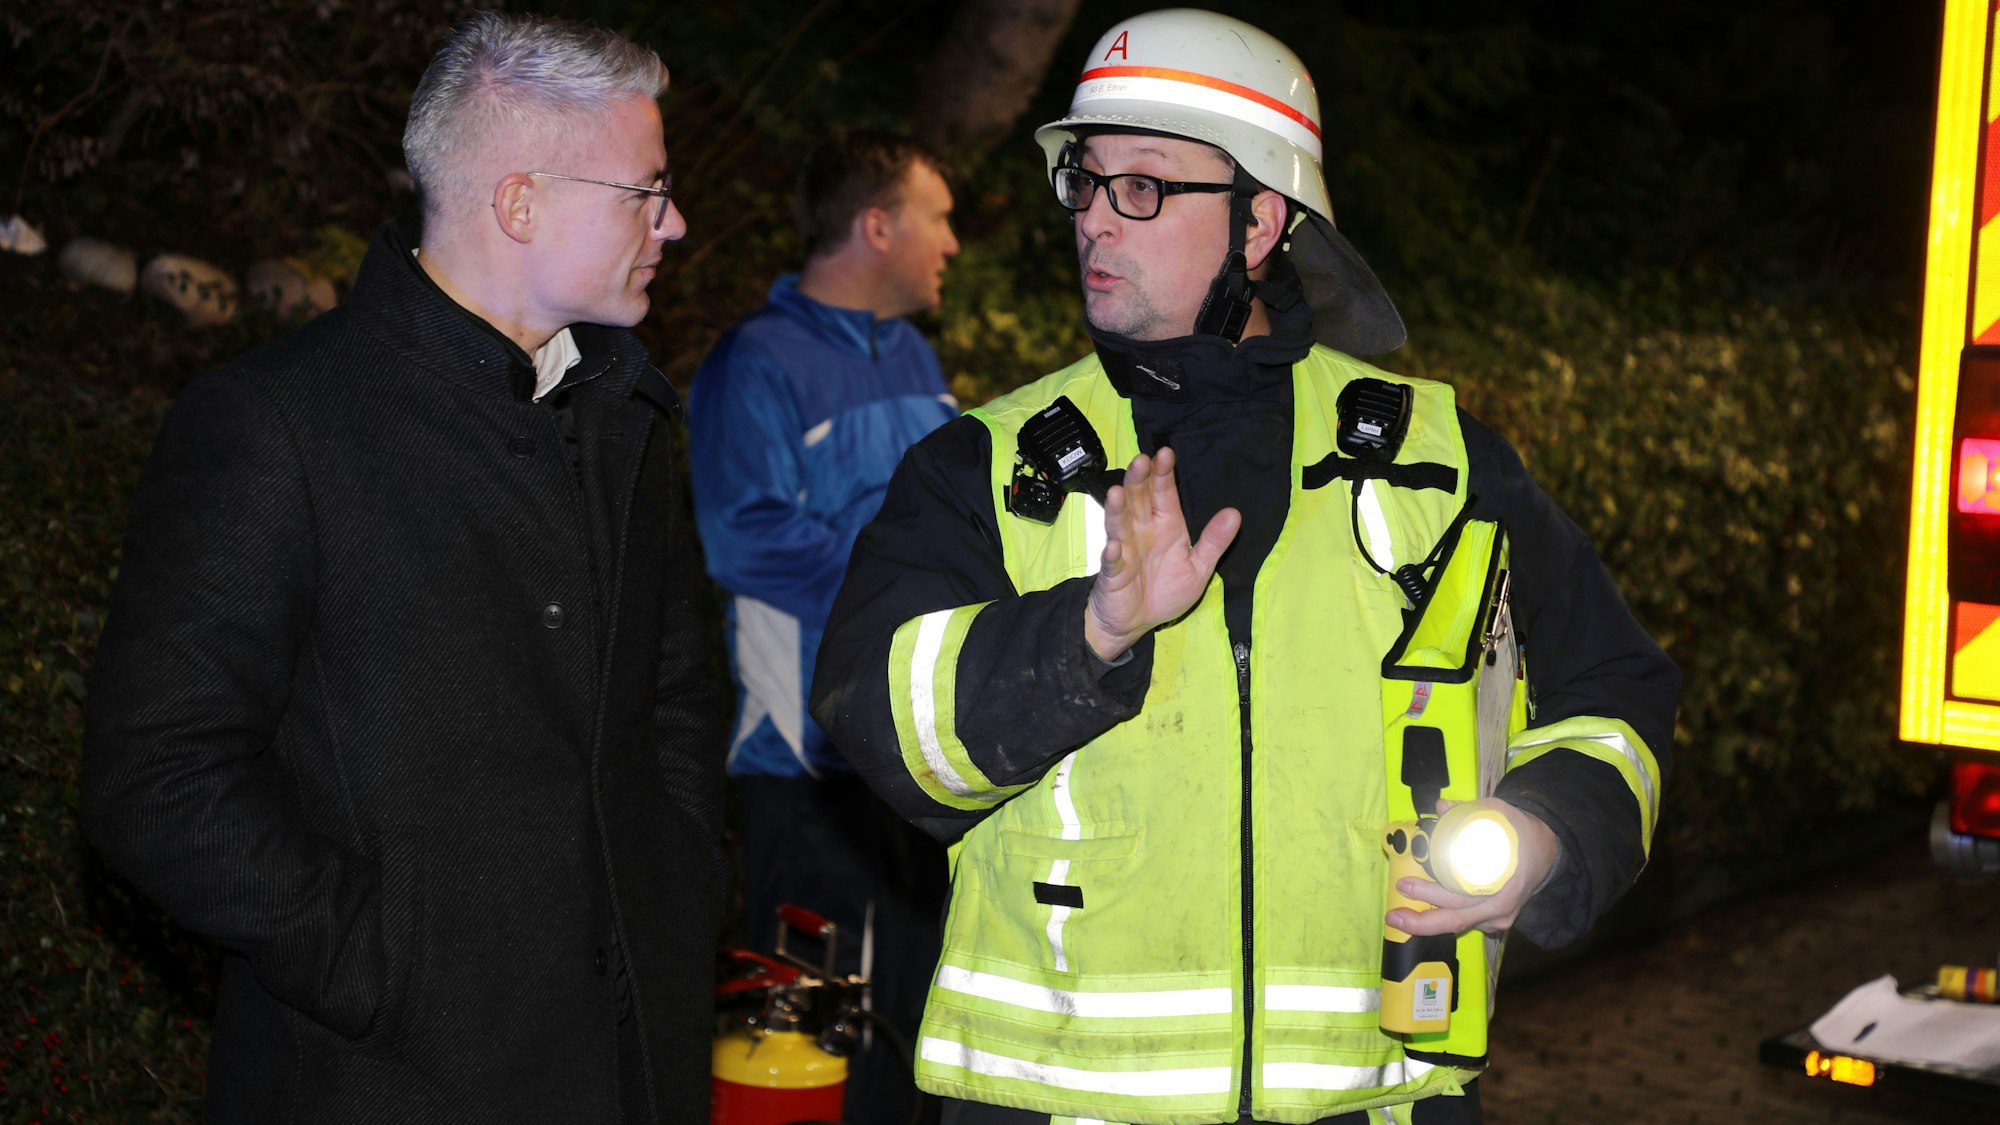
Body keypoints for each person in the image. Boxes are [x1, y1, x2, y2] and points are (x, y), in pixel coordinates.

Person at [809, 10, 1678, 1125]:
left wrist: (1545, 835)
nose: (1092, 221)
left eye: (1145, 187)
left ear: (1261, 219)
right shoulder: (987, 465)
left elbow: (1614, 695)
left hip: (1373, 1106)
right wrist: (1089, 633)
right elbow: (876, 721)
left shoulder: (1439, 460)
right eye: (1086, 181)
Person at [82, 12, 725, 1122]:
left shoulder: (625, 414)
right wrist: (380, 971)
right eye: (645, 190)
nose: (672, 223)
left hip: (625, 1065)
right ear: (520, 202)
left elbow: (674, 700)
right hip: (381, 1082)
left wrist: (674, 889)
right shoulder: (276, 425)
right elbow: (158, 778)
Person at [689, 127, 960, 1125]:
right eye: (937, 217)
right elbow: (742, 538)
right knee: (817, 1055)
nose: (953, 243)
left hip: (922, 760)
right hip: (806, 770)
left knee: (913, 1040)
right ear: (875, 225)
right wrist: (904, 579)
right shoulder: (754, 364)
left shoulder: (916, 356)